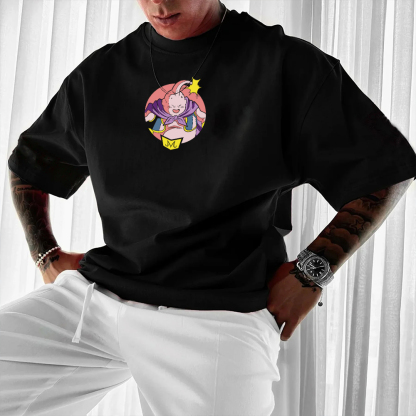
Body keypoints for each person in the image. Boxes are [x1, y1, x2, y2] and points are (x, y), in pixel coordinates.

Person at [2, 0, 416, 414]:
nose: (159, 4)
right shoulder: (102, 73)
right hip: (97, 298)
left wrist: (312, 273)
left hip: (217, 314)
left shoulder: (285, 65)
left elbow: (385, 170)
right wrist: (46, 255)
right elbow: (31, 163)